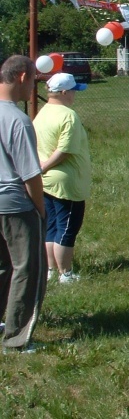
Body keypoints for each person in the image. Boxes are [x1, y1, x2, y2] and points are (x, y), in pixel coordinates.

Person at [0, 55, 47, 353]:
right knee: (27, 268)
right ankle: (17, 338)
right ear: (21, 78)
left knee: (2, 266)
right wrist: (40, 209)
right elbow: (30, 174)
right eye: (33, 81)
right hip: (16, 204)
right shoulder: (17, 120)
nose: (33, 87)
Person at [33, 73, 91, 284]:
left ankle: (50, 269)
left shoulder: (42, 112)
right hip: (67, 181)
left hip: (47, 181)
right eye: (74, 90)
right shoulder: (68, 115)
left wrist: (42, 169)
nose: (75, 94)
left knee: (52, 227)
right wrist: (46, 166)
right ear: (65, 92)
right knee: (67, 228)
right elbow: (65, 149)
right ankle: (65, 273)